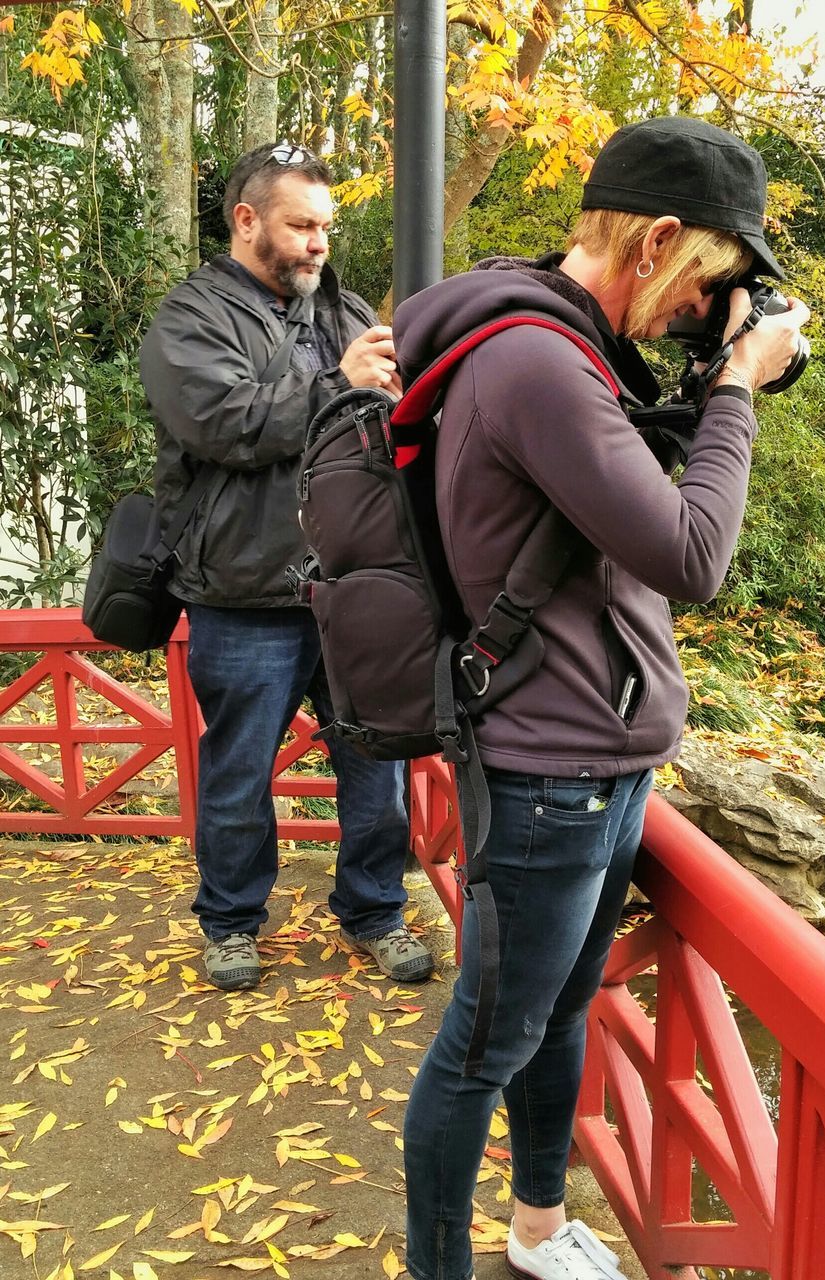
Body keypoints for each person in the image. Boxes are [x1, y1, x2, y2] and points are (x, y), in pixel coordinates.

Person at [392, 116, 810, 1280]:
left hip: (597, 756)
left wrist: (705, 375)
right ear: (659, 239)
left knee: (557, 1010)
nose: (699, 314)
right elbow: (691, 555)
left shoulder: (565, 341)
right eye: (706, 287)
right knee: (484, 1040)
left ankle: (534, 1228)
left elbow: (617, 503)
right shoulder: (535, 358)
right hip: (549, 771)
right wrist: (735, 385)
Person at [139, 142, 434, 992]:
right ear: (246, 220)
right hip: (242, 591)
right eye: (301, 225)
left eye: (326, 228)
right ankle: (231, 923)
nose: (318, 243)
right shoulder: (191, 317)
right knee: (238, 775)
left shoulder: (344, 310)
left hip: (354, 589)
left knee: (377, 763)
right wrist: (338, 385)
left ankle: (375, 910)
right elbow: (221, 424)